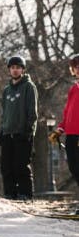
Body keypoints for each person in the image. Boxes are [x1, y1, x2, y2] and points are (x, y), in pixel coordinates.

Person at [0, 55, 38, 200]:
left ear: (22, 69)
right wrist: (2, 131)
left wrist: (28, 130)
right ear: (9, 69)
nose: (15, 70)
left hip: (23, 133)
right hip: (8, 133)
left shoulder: (29, 87)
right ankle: (10, 193)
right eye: (12, 68)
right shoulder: (6, 90)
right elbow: (4, 113)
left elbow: (32, 112)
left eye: (18, 68)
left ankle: (25, 194)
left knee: (21, 166)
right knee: (6, 167)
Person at [50, 52, 79, 209]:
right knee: (74, 168)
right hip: (72, 135)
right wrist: (60, 130)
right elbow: (68, 112)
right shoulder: (74, 89)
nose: (78, 69)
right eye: (76, 66)